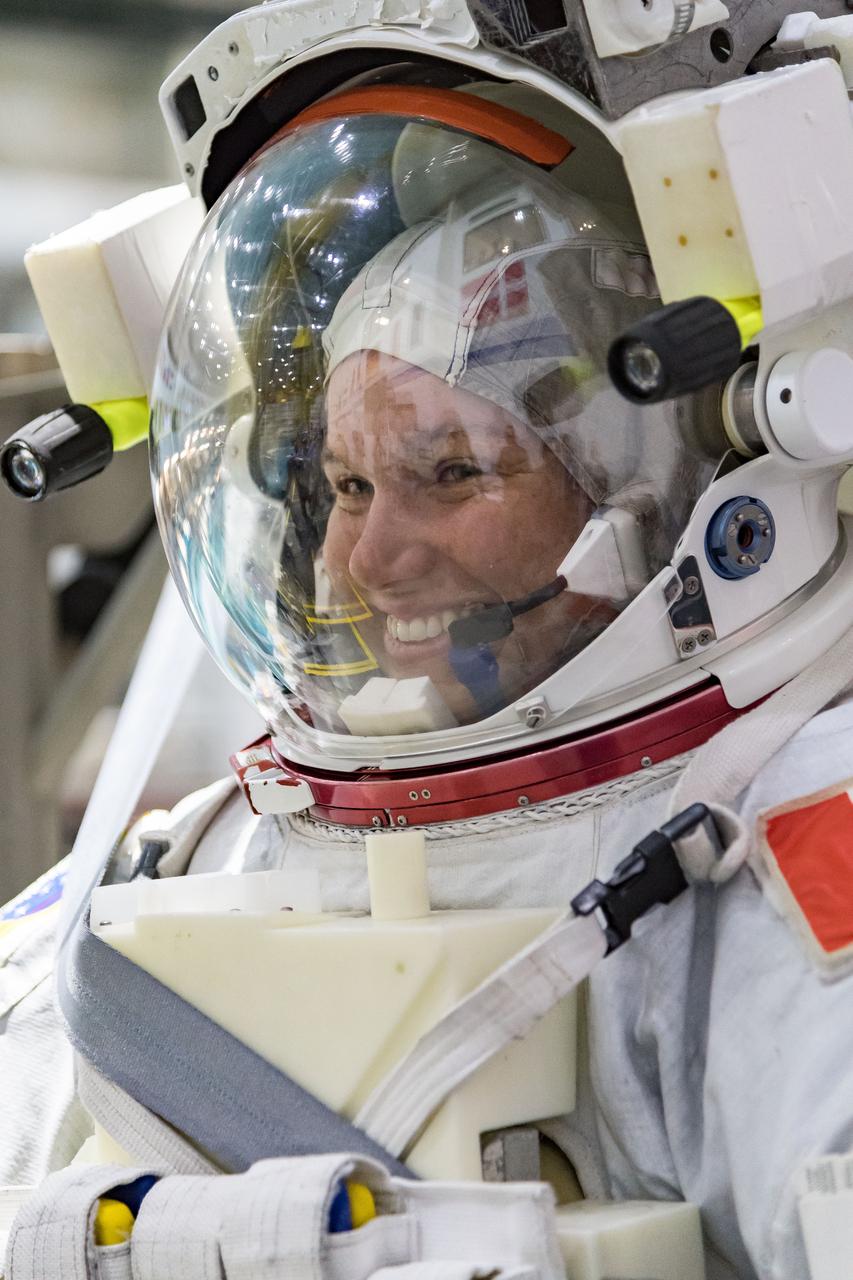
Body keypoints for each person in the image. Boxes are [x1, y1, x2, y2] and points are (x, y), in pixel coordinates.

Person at [5, 38, 853, 1280]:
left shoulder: (769, 855)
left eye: (451, 472)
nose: (368, 559)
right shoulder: (184, 865)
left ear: (648, 488)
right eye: (345, 485)